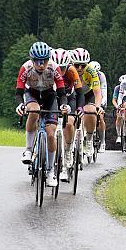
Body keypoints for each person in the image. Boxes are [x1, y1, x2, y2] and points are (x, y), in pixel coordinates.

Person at [15, 41, 69, 188]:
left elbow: (61, 91)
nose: (41, 64)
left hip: (49, 96)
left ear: (48, 59)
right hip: (32, 94)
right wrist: (20, 105)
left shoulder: (54, 67)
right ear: (31, 60)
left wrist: (64, 105)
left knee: (51, 134)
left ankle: (51, 171)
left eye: (44, 60)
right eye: (37, 61)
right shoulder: (25, 68)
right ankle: (28, 150)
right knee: (33, 111)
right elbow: (19, 92)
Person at [54, 49, 83, 182]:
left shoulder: (72, 71)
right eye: (58, 67)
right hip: (54, 97)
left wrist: (80, 107)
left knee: (70, 122)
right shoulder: (50, 69)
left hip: (69, 96)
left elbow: (80, 92)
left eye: (63, 68)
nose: (60, 70)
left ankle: (68, 151)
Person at [71, 48, 103, 155]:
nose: (80, 68)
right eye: (77, 65)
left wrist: (97, 107)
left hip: (88, 94)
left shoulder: (91, 71)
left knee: (91, 111)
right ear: (72, 63)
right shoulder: (68, 70)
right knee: (71, 116)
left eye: (83, 65)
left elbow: (97, 92)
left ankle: (89, 140)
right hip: (74, 94)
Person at [89, 61, 108, 152]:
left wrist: (101, 105)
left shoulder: (101, 76)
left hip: (99, 97)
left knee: (100, 117)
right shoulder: (86, 74)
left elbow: (103, 93)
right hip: (90, 96)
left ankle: (103, 142)